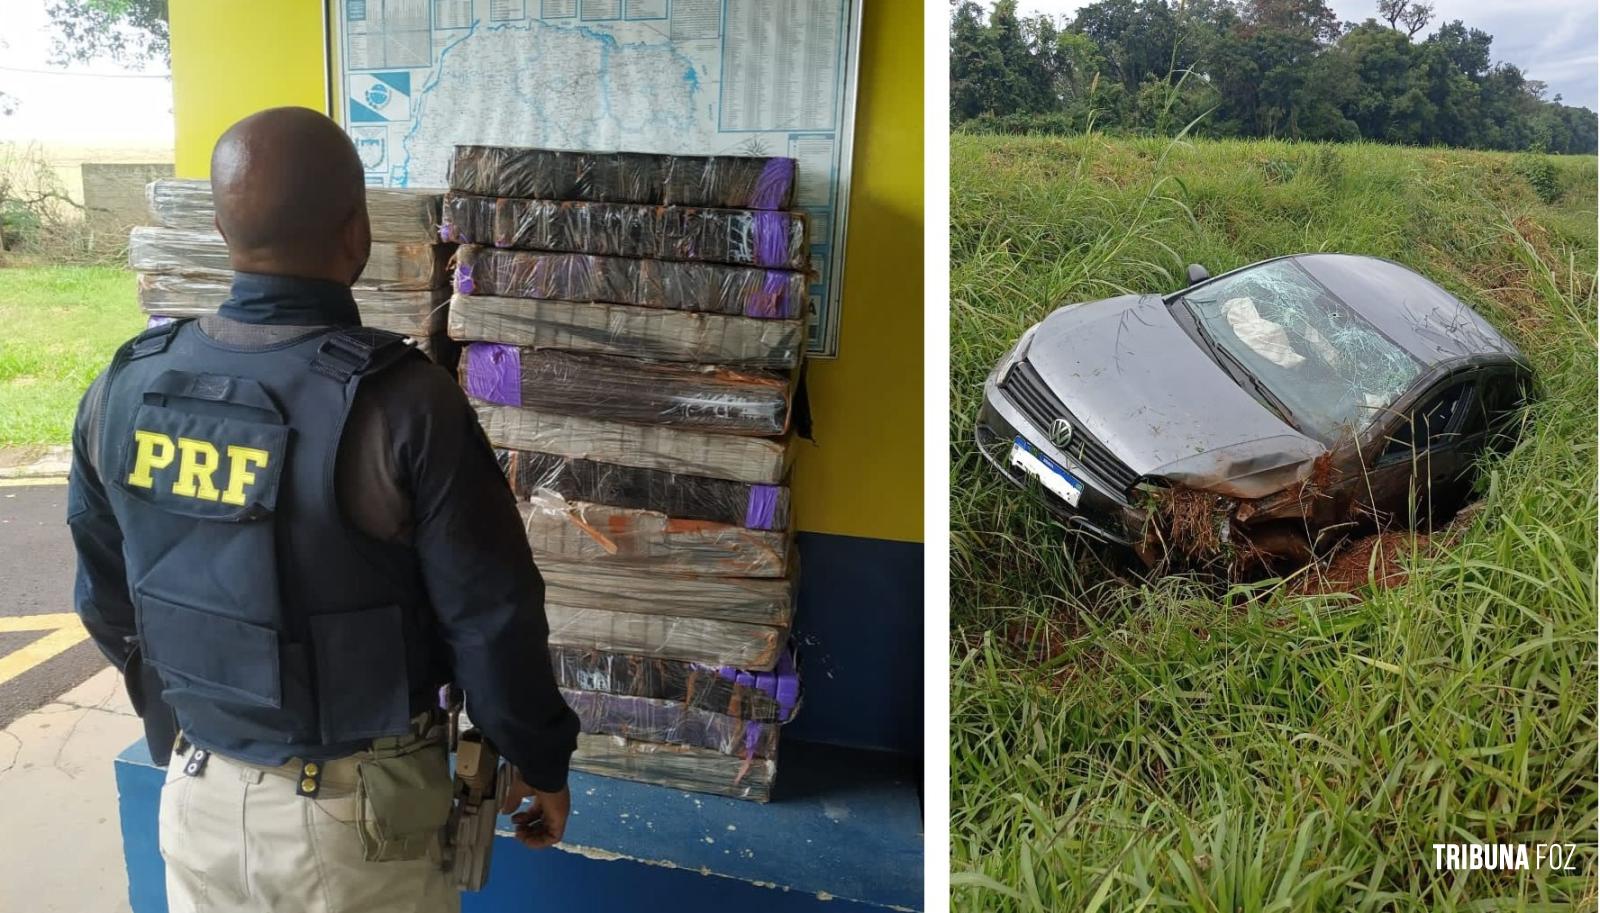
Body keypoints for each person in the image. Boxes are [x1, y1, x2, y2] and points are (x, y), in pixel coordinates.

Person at [65, 106, 579, 913]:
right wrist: (542, 760)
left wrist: (215, 712)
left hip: (194, 796)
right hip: (357, 826)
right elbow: (492, 619)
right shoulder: (404, 404)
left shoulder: (126, 386)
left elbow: (105, 597)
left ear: (227, 231)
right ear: (355, 232)